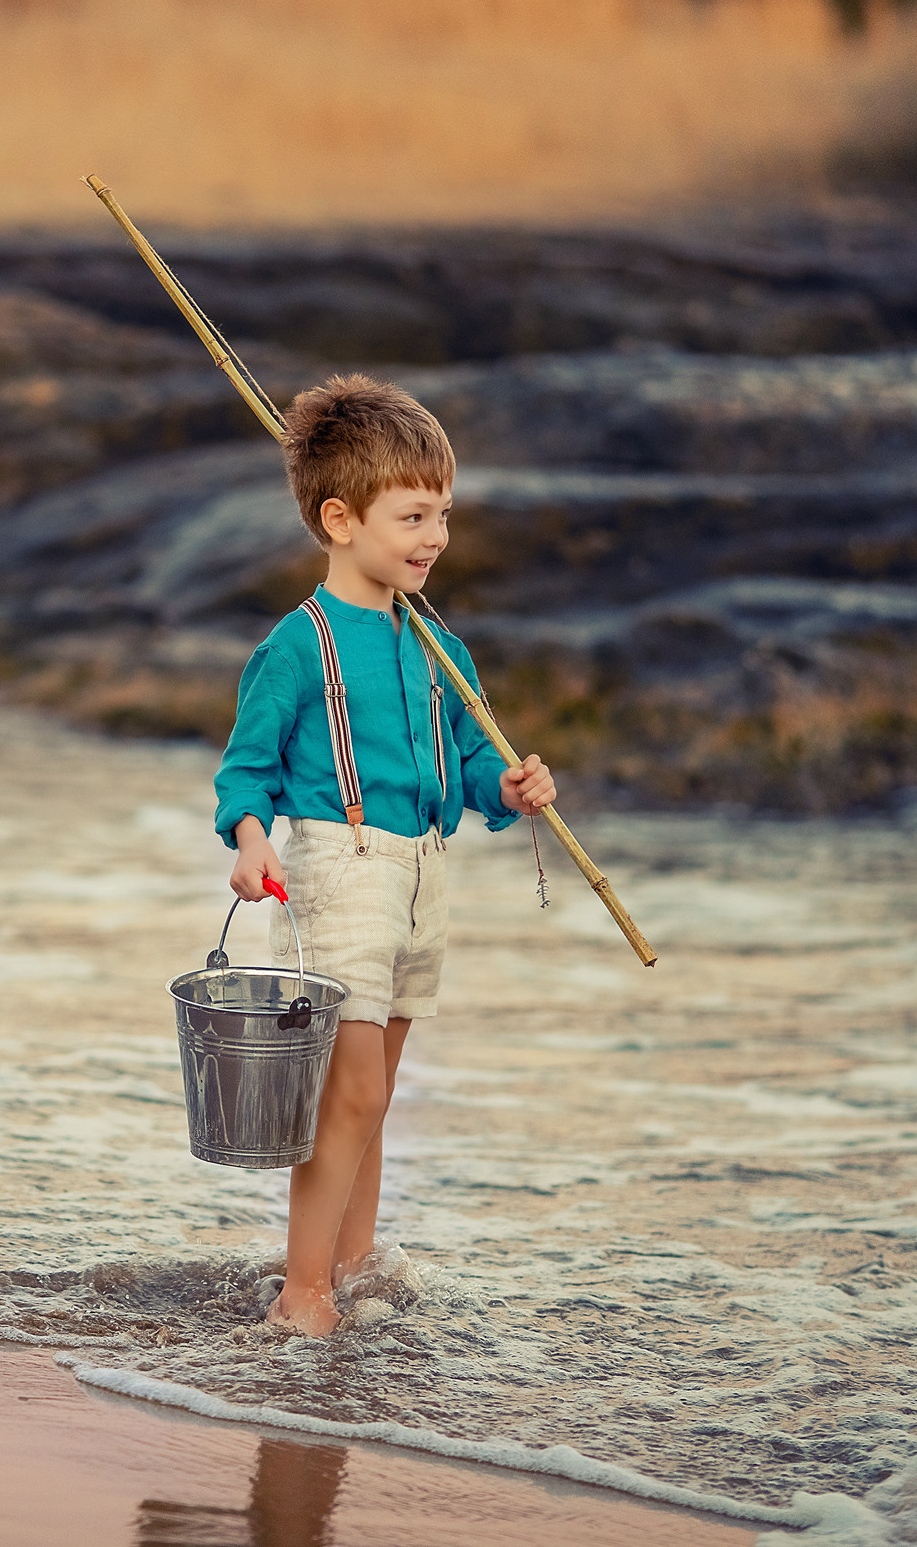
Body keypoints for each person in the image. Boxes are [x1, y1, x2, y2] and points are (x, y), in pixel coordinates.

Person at [213, 374, 555, 1336]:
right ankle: (303, 1290)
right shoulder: (296, 645)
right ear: (338, 518)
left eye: (442, 511)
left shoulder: (438, 641)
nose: (434, 534)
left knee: (379, 1091)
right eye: (411, 513)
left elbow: (476, 763)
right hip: (336, 870)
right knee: (348, 1088)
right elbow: (245, 773)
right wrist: (247, 844)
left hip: (419, 874)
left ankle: (351, 1269)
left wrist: (512, 787)